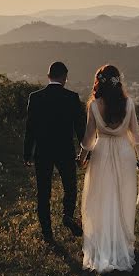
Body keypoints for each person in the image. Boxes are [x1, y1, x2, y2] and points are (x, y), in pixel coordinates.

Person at [78, 64, 139, 273]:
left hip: (102, 153)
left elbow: (89, 138)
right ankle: (120, 244)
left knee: (101, 197)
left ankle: (104, 243)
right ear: (118, 81)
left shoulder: (93, 105)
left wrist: (81, 157)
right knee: (122, 196)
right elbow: (135, 135)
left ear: (100, 81)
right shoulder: (128, 103)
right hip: (125, 154)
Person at [23, 61, 86, 246]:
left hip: (42, 152)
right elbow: (80, 129)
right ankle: (67, 215)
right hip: (65, 151)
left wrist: (27, 153)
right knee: (70, 187)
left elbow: (30, 128)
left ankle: (47, 233)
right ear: (65, 77)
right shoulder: (72, 97)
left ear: (48, 75)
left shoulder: (35, 97)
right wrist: (85, 151)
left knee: (43, 193)